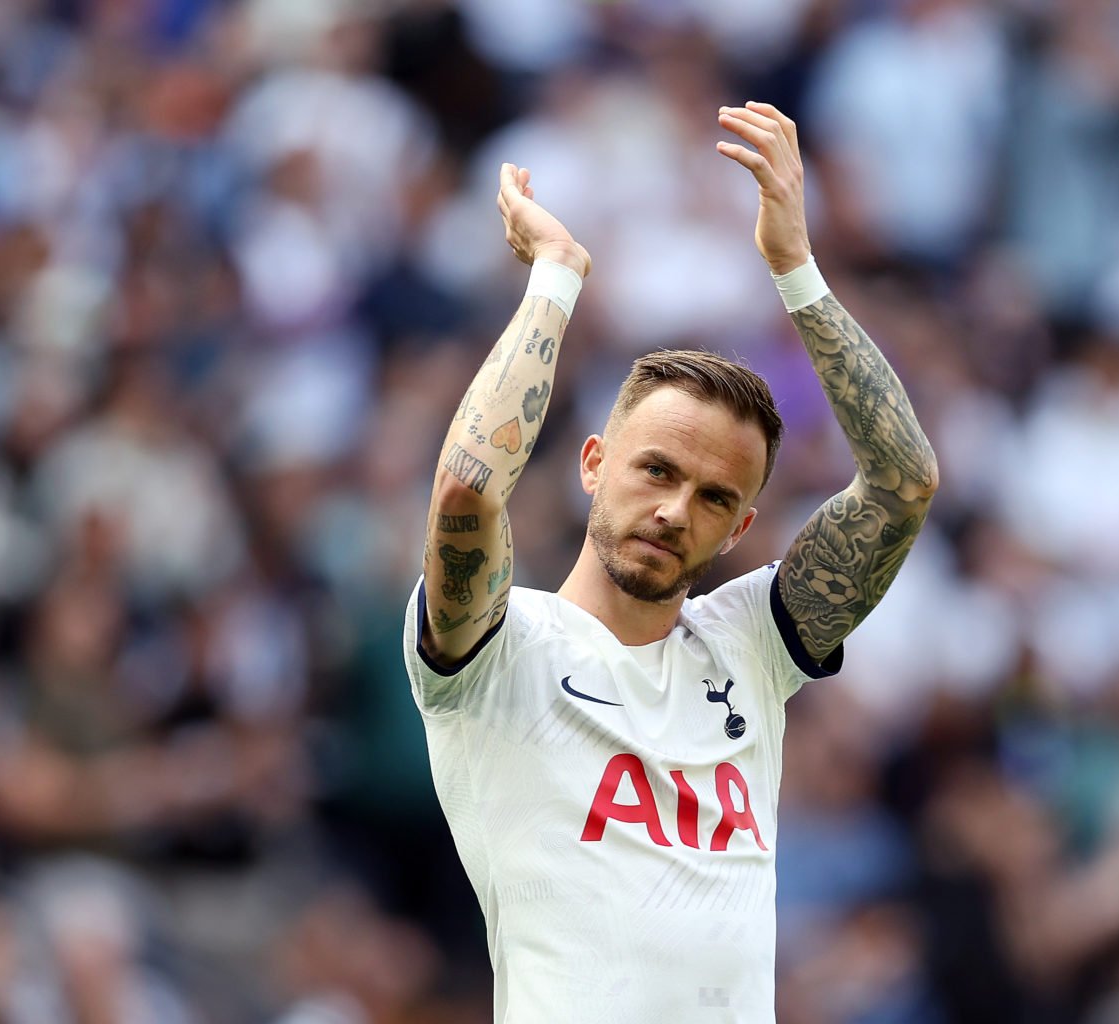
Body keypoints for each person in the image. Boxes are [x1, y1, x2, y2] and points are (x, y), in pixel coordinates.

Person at [402, 102, 938, 1022]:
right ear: (593, 464)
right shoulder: (497, 648)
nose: (675, 510)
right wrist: (556, 282)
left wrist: (794, 269)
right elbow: (464, 493)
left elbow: (904, 483)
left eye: (715, 498)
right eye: (656, 470)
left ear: (740, 529)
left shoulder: (751, 647)